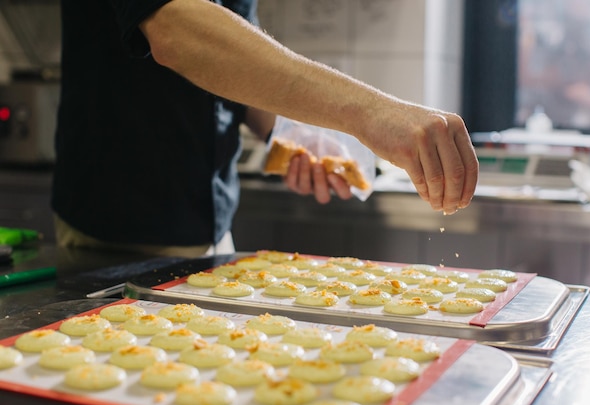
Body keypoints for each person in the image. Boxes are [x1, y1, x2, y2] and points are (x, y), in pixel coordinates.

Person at [52, 0, 478, 258]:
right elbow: (173, 27)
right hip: (115, 230)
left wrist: (291, 132)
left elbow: (231, 65)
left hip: (214, 228)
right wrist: (370, 112)